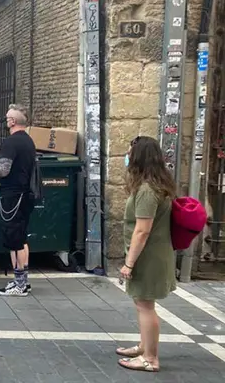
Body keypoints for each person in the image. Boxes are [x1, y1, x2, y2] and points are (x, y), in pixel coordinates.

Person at [115, 136, 176, 373]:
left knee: (145, 305)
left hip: (148, 256)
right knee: (142, 302)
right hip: (150, 253)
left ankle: (150, 358)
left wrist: (128, 265)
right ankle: (144, 346)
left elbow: (142, 230)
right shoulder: (154, 184)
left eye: (130, 152)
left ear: (139, 157)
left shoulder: (147, 190)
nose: (127, 156)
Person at [0, 104, 36, 297]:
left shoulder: (10, 143)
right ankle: (23, 280)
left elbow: (3, 170)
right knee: (22, 238)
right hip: (26, 194)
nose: (6, 120)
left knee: (14, 239)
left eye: (7, 118)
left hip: (12, 196)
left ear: (12, 121)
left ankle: (19, 284)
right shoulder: (29, 141)